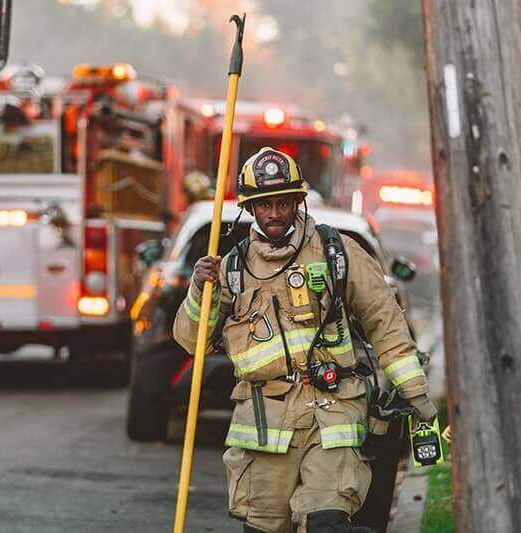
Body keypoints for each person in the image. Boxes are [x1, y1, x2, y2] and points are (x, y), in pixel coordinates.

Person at [173, 147, 437, 533]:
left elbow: (387, 323)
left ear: (299, 200)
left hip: (332, 416)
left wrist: (415, 394)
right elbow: (191, 342)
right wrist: (200, 290)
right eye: (265, 205)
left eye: (284, 202)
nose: (275, 213)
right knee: (263, 527)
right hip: (264, 425)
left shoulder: (337, 253)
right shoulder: (230, 270)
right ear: (250, 209)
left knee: (327, 522)